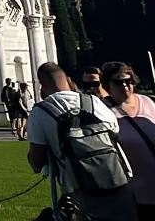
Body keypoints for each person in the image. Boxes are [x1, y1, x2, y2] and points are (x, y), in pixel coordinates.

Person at [29, 61, 135, 221]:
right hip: (117, 182)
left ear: (41, 86)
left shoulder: (41, 111)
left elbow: (36, 161)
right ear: (68, 80)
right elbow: (114, 133)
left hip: (80, 191)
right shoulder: (94, 102)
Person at [102, 61, 155, 220]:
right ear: (108, 85)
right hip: (133, 190)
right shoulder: (105, 112)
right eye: (118, 82)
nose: (125, 85)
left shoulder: (147, 102)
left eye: (129, 81)